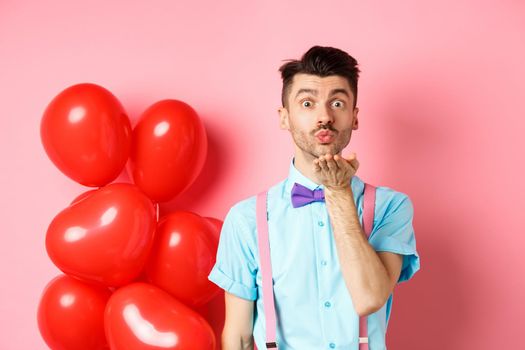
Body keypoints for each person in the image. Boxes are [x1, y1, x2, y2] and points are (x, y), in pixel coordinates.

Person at [208, 45, 421, 350]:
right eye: (307, 103)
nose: (324, 117)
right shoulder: (246, 219)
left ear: (354, 117)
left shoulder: (391, 207)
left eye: (337, 102)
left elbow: (370, 298)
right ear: (285, 118)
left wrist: (337, 192)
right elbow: (239, 336)